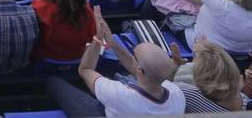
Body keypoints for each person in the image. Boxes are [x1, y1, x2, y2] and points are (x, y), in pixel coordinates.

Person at [47, 7, 184, 117]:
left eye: (134, 55)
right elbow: (141, 69)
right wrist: (112, 43)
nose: (133, 57)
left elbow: (85, 70)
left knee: (52, 82)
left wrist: (98, 38)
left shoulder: (119, 95)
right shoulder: (177, 95)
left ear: (139, 69)